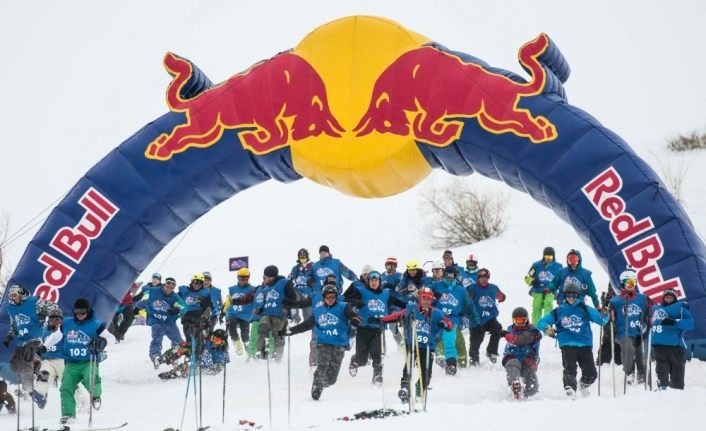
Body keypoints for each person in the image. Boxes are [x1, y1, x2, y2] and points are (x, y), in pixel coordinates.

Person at [372, 287, 453, 403]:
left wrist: (445, 324)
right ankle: (405, 388)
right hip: (412, 343)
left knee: (427, 373)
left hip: (427, 347)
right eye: (424, 298)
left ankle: (420, 388)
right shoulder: (411, 309)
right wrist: (381, 320)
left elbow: (449, 323)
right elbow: (397, 316)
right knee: (408, 366)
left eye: (428, 299)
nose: (426, 301)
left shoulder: (437, 313)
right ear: (420, 299)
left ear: (431, 300)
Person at [285, 284, 361, 400]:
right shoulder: (318, 311)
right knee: (323, 364)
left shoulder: (343, 307)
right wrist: (290, 331)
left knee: (332, 379)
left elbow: (352, 315)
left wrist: (355, 319)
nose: (330, 299)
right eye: (328, 297)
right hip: (323, 342)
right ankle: (317, 384)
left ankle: (321, 384)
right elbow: (306, 325)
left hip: (339, 344)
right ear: (323, 297)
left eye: (333, 297)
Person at [538, 283, 608, 399]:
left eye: (573, 295)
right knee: (570, 368)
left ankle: (583, 385)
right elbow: (541, 322)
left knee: (591, 373)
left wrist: (605, 315)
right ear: (564, 296)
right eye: (568, 295)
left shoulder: (584, 308)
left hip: (584, 344)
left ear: (577, 296)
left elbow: (601, 321)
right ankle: (570, 388)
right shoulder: (558, 310)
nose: (571, 298)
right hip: (567, 343)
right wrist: (547, 328)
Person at [344, 270, 407, 384]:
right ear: (368, 281)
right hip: (363, 329)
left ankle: (377, 376)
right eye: (371, 280)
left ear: (380, 281)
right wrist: (355, 302)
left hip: (377, 329)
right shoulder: (361, 291)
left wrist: (411, 307)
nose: (374, 282)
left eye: (376, 280)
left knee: (376, 354)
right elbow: (344, 299)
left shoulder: (386, 294)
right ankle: (355, 360)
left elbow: (398, 303)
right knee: (362, 360)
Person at [56, 298, 107, 425]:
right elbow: (56, 335)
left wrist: (102, 342)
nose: (79, 316)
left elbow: (110, 338)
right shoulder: (67, 323)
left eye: (82, 313)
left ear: (88, 311)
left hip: (88, 361)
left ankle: (95, 396)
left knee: (91, 381)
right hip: (71, 363)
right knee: (66, 388)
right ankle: (68, 415)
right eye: (76, 313)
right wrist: (44, 346)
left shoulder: (95, 324)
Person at [3, 283, 60, 398]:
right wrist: (10, 336)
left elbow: (51, 306)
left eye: (15, 295)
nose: (13, 298)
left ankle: (27, 389)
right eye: (11, 296)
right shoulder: (11, 309)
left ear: (21, 294)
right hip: (21, 341)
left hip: (35, 337)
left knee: (25, 361)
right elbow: (14, 326)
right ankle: (41, 371)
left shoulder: (34, 302)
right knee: (15, 365)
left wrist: (53, 314)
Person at [430, 265, 479, 374]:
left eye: (452, 275)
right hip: (437, 316)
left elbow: (469, 305)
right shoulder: (436, 286)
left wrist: (476, 319)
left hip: (452, 318)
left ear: (455, 276)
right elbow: (425, 294)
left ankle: (451, 364)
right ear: (443, 275)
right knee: (436, 337)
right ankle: (439, 358)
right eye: (447, 275)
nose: (449, 277)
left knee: (449, 338)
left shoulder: (460, 290)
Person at [609, 268, 650, 384]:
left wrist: (650, 316)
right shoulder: (616, 300)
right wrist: (608, 312)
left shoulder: (643, 298)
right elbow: (609, 315)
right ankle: (629, 372)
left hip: (639, 331)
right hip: (624, 331)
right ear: (623, 284)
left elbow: (651, 309)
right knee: (628, 350)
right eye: (628, 283)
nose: (631, 285)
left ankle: (641, 373)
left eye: (633, 282)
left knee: (640, 354)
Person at [134, 276, 185, 368]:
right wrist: (137, 307)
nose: (169, 289)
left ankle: (175, 355)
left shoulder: (174, 297)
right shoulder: (154, 291)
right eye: (167, 286)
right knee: (157, 337)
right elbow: (144, 298)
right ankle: (155, 355)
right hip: (156, 320)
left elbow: (183, 307)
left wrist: (177, 310)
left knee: (178, 341)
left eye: (172, 288)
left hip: (169, 321)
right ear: (164, 285)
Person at [650, 288, 694, 390]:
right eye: (666, 297)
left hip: (676, 347)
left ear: (675, 298)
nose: (668, 299)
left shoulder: (681, 307)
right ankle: (663, 390)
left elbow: (691, 324)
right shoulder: (655, 308)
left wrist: (674, 322)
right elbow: (649, 322)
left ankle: (676, 395)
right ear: (663, 298)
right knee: (662, 373)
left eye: (671, 297)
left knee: (677, 382)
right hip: (660, 346)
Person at [254, 265, 299, 361]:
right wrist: (259, 309)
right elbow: (264, 301)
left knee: (277, 334)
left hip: (279, 314)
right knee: (263, 328)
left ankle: (277, 356)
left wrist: (287, 307)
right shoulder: (266, 288)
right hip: (266, 313)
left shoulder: (285, 283)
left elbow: (293, 297)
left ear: (273, 276)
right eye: (265, 277)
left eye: (268, 277)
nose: (267, 279)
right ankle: (261, 353)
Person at [467, 268, 506, 365]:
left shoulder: (493, 288)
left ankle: (491, 352)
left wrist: (502, 297)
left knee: (497, 328)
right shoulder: (471, 288)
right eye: (482, 277)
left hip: (490, 318)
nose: (484, 279)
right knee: (476, 341)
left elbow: (501, 296)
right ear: (478, 278)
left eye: (486, 277)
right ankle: (473, 360)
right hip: (476, 320)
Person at [501, 307, 542, 399]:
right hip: (512, 356)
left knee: (532, 388)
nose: (520, 323)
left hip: (527, 359)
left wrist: (507, 335)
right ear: (513, 320)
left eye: (522, 320)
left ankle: (526, 393)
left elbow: (521, 340)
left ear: (527, 320)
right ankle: (515, 383)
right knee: (512, 364)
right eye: (517, 321)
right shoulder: (510, 329)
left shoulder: (533, 331)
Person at [158, 329, 230, 379]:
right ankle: (165, 358)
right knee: (183, 348)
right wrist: (191, 347)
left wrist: (205, 365)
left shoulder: (222, 354)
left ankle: (175, 373)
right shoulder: (210, 344)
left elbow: (216, 370)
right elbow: (201, 346)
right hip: (199, 356)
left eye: (217, 340)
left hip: (203, 367)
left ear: (223, 342)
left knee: (187, 367)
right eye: (213, 338)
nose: (214, 341)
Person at [32, 308, 66, 409]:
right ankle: (41, 395)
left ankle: (83, 403)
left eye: (57, 319)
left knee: (67, 381)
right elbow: (41, 346)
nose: (55, 322)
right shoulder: (45, 332)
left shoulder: (64, 331)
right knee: (43, 374)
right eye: (52, 319)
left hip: (62, 360)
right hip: (48, 360)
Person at [524, 246, 563, 324]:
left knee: (548, 303)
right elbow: (527, 277)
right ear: (543, 256)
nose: (548, 258)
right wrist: (532, 281)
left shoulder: (558, 267)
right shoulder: (536, 265)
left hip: (550, 290)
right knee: (537, 305)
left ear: (553, 256)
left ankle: (547, 325)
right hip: (538, 289)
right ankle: (536, 326)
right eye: (546, 256)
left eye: (550, 256)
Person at [222, 268, 256, 355]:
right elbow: (228, 301)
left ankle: (248, 348)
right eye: (241, 278)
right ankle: (237, 344)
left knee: (245, 334)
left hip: (246, 314)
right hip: (233, 313)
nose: (243, 280)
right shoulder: (232, 289)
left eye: (245, 278)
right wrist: (223, 312)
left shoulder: (252, 289)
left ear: (248, 278)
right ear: (238, 278)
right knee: (231, 325)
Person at [178, 273, 213, 347]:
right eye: (195, 282)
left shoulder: (205, 292)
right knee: (189, 335)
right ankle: (190, 353)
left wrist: (203, 302)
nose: (197, 285)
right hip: (187, 317)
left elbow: (210, 306)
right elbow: (174, 299)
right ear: (192, 282)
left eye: (200, 283)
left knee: (199, 338)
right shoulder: (184, 290)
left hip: (200, 317)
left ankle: (201, 354)